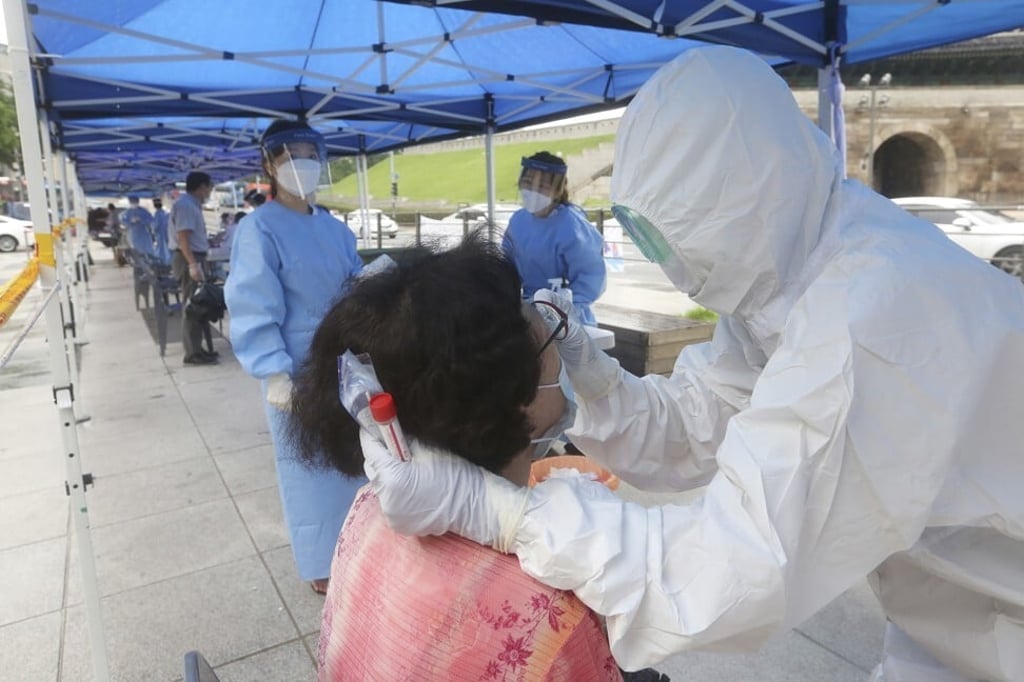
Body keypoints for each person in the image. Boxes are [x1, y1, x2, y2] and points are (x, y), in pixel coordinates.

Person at [359, 46, 1024, 682]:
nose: (675, 270)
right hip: (947, 610)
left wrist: (509, 517)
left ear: (745, 202)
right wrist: (590, 380)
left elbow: (733, 570)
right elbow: (702, 424)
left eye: (680, 239)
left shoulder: (867, 319)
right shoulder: (788, 274)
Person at [287, 237, 638, 680]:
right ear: (515, 399)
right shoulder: (552, 615)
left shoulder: (367, 507)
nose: (558, 345)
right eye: (544, 331)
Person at [224, 119, 365, 595]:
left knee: (352, 463)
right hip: (294, 372)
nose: (300, 164)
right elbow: (251, 301)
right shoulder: (258, 228)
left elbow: (353, 284)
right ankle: (322, 565)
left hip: (343, 364)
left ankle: (360, 552)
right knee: (307, 471)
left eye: (309, 153)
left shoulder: (336, 229)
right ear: (268, 164)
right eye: (288, 155)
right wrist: (274, 373)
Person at [502, 152, 607, 325]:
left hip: (567, 320)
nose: (533, 191)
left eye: (542, 186)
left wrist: (565, 309)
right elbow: (506, 265)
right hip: (528, 313)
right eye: (528, 183)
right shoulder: (518, 221)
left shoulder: (572, 226)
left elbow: (590, 277)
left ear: (557, 190)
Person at [170, 171, 217, 366]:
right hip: (188, 258)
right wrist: (193, 264)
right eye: (209, 187)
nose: (210, 191)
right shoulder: (186, 206)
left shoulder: (191, 205)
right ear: (201, 187)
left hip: (194, 256)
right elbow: (183, 238)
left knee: (200, 305)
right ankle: (192, 353)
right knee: (193, 306)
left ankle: (198, 348)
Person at [151, 197, 171, 265]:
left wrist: (153, 231)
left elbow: (155, 226)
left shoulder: (157, 214)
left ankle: (163, 264)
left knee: (161, 250)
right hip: (167, 234)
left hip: (160, 235)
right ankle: (168, 263)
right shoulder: (166, 213)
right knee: (167, 249)